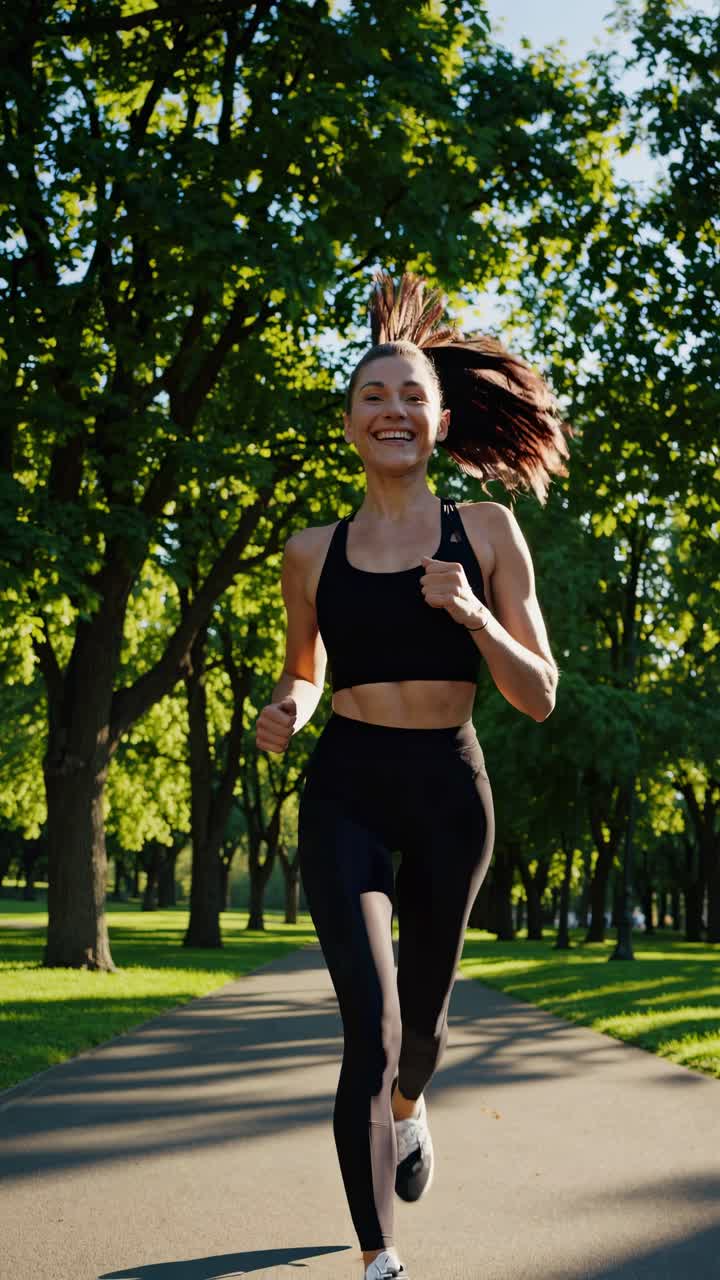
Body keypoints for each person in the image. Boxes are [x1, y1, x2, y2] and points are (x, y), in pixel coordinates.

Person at [255, 271, 572, 1280]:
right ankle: (379, 1256)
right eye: (372, 397)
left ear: (440, 420)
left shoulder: (484, 532)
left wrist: (475, 617)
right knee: (373, 1023)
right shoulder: (311, 550)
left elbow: (540, 694)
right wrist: (285, 708)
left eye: (410, 397)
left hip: (447, 785)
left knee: (423, 1034)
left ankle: (411, 1102)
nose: (392, 410)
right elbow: (305, 671)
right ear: (348, 421)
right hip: (346, 780)